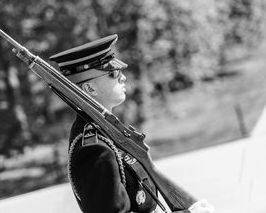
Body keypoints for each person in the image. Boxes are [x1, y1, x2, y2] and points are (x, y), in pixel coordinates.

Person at [49, 34, 214, 213]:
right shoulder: (95, 149)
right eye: (113, 74)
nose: (123, 78)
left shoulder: (109, 130)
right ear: (90, 89)